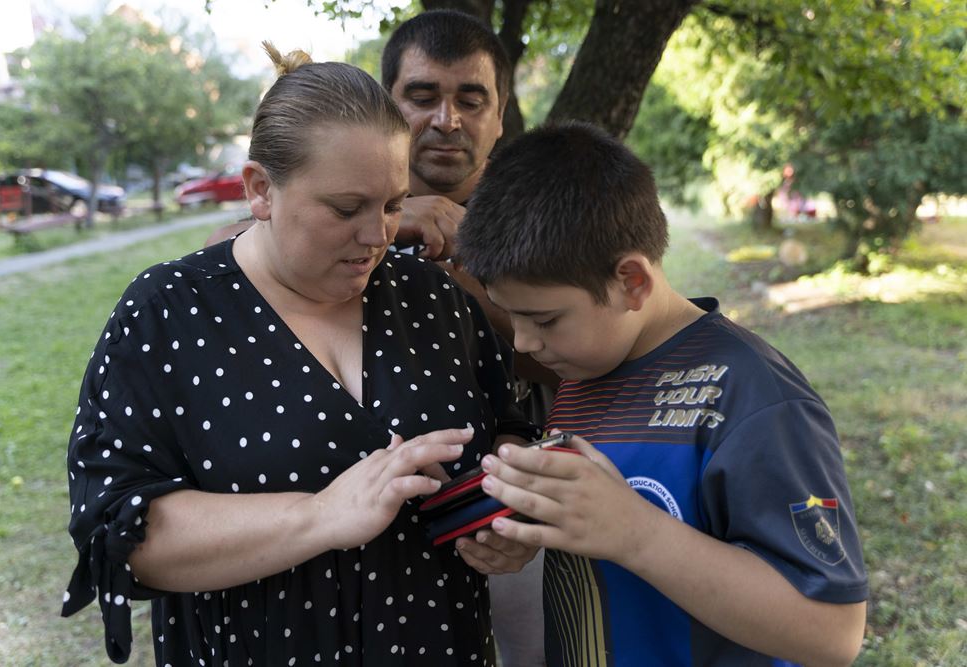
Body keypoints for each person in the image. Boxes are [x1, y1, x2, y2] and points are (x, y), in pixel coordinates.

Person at [61, 43, 540, 666]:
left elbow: (506, 430)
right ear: (260, 190)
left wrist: (508, 517)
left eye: (393, 205)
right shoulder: (167, 311)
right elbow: (120, 529)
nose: (377, 237)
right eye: (346, 209)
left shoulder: (433, 297)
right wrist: (320, 516)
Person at [205, 12, 554, 665]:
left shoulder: (544, 212)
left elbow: (584, 353)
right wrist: (394, 229)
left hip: (502, 510)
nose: (446, 119)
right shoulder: (298, 203)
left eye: (470, 99)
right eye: (423, 97)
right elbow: (229, 275)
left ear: (500, 115)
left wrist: (462, 269)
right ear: (386, 102)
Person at [455, 122, 869, 666]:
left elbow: (832, 632)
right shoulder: (582, 374)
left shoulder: (753, 398)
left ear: (632, 281)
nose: (525, 342)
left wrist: (636, 534)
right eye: (511, 315)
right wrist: (535, 531)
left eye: (545, 318)